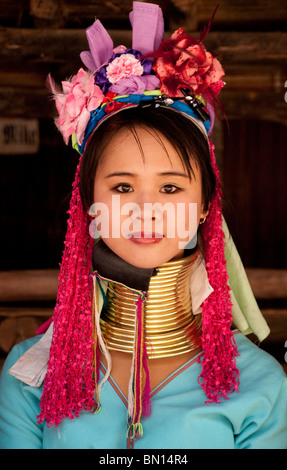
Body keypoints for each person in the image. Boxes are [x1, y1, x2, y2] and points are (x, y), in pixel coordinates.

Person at [0, 2, 286, 450]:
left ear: (207, 206)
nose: (146, 209)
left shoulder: (259, 383)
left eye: (171, 189)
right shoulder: (30, 375)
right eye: (122, 187)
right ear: (88, 206)